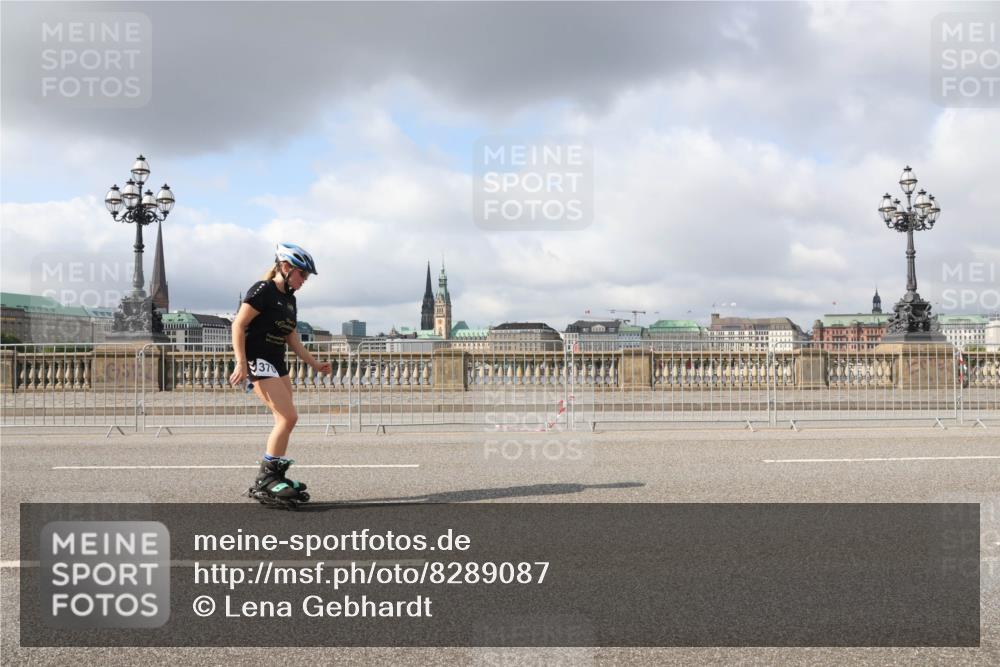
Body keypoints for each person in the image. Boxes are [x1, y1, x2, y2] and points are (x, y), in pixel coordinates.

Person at [228, 243, 331, 507]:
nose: (304, 280)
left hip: (277, 362)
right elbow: (238, 325)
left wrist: (315, 364)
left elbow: (292, 339)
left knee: (284, 420)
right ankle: (266, 478)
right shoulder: (263, 290)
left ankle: (274, 474)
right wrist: (241, 364)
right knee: (289, 416)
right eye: (302, 274)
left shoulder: (290, 299)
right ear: (285, 267)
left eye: (306, 277)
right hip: (258, 360)